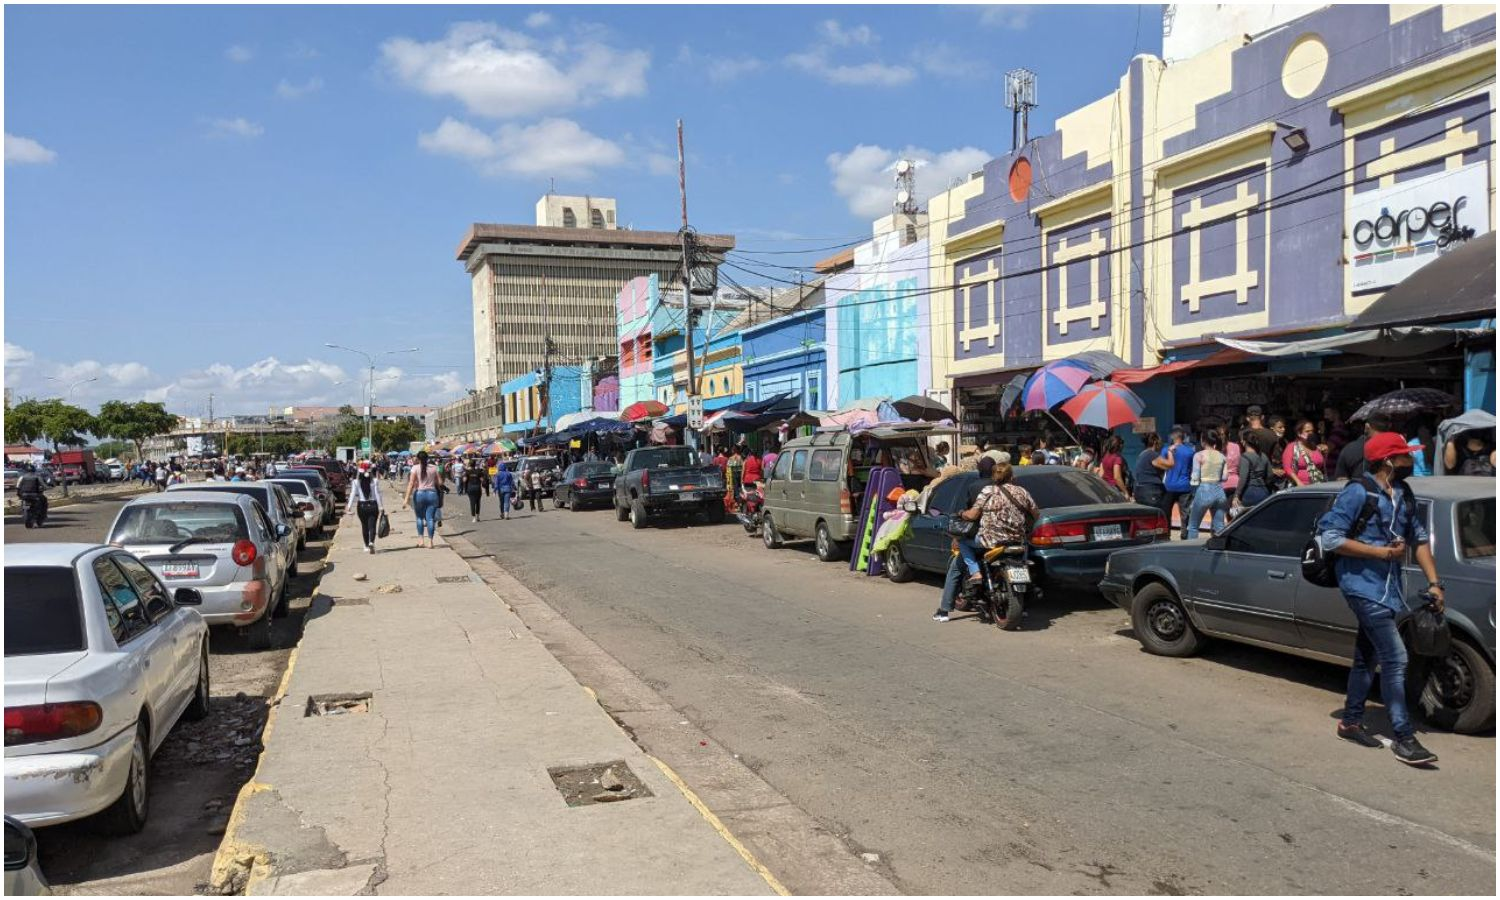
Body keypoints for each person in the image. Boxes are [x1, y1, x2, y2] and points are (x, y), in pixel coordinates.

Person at [1319, 432, 1443, 766]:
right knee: (1396, 658)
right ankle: (1404, 736)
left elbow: (1418, 540)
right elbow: (1330, 538)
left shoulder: (1403, 493)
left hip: (1389, 589)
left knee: (1366, 657)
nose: (1411, 460)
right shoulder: (1357, 492)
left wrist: (1435, 583)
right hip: (1360, 585)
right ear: (1388, 461)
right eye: (1405, 456)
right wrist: (1381, 552)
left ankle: (1351, 721)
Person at [954, 459, 1040, 583]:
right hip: (1017, 539)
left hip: (990, 540)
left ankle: (976, 572)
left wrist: (962, 514)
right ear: (1011, 476)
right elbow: (1036, 514)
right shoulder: (1022, 491)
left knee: (962, 541)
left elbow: (972, 515)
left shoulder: (988, 491)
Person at [1185, 431, 1230, 539]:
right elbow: (1225, 477)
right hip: (1219, 491)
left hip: (1203, 490)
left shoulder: (1199, 455)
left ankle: (1192, 551)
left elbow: (1195, 478)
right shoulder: (1222, 456)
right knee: (1219, 526)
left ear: (1203, 441)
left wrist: (1192, 495)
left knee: (1193, 526)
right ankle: (1221, 551)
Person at [1155, 428, 1195, 538]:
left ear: (1173, 437)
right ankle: (1184, 534)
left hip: (1169, 486)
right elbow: (1192, 469)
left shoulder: (1165, 450)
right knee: (1185, 513)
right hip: (1185, 486)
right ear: (1183, 437)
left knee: (1166, 512)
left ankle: (1166, 534)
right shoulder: (1190, 451)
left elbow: (1161, 467)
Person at [401, 450, 442, 548]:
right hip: (432, 494)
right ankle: (431, 542)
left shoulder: (415, 468)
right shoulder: (434, 468)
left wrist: (406, 499)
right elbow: (440, 482)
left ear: (418, 459)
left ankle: (421, 540)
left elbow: (411, 484)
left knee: (419, 518)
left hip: (419, 494)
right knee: (430, 519)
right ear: (427, 458)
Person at [1335, 413, 1391, 481]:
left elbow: (1341, 480)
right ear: (1390, 426)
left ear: (1367, 427)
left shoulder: (1349, 449)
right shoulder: (1395, 449)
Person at [346, 460, 385, 553]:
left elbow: (352, 494)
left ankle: (366, 545)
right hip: (373, 505)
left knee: (364, 526)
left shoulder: (355, 482)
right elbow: (377, 494)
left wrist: (349, 506)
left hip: (362, 506)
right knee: (372, 526)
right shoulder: (374, 481)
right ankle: (371, 542)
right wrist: (381, 506)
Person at [1234, 428, 1273, 511]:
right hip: (1263, 491)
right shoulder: (1263, 455)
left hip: (1249, 492)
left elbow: (1243, 479)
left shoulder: (1245, 457)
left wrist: (1236, 495)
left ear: (1244, 442)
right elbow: (1270, 475)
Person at [1282, 419, 1327, 487]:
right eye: (1307, 431)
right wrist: (1299, 482)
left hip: (1318, 485)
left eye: (1312, 431)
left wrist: (1325, 453)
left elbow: (1322, 466)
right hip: (1300, 487)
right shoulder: (1292, 447)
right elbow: (1288, 468)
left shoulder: (1315, 447)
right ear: (1299, 433)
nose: (1310, 433)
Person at [1131, 433, 1164, 507]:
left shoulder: (1142, 454)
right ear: (1155, 442)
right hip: (1150, 491)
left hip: (1140, 489)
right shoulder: (1152, 454)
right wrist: (1170, 453)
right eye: (1160, 443)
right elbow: (1169, 465)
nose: (1161, 446)